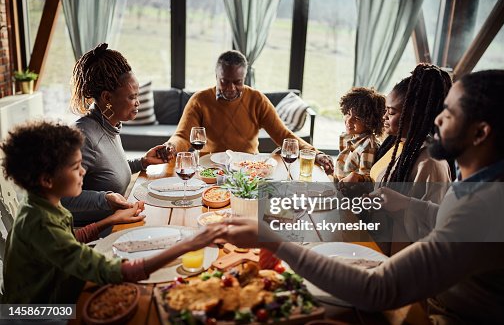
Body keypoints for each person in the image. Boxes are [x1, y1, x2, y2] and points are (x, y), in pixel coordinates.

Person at [223, 70, 504, 324]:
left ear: (480, 132)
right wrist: (409, 204)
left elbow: (378, 290)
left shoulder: (485, 209)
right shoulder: (487, 185)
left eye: (448, 113)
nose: (436, 119)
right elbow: (449, 223)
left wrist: (271, 239)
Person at [0, 121, 226, 303]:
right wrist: (187, 245)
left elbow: (67, 241)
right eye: (76, 167)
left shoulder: (40, 202)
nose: (83, 172)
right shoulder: (40, 223)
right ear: (47, 180)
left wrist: (113, 219)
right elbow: (116, 271)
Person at [163, 50, 334, 174]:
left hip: (249, 169)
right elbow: (183, 136)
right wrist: (170, 146)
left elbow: (283, 135)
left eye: (238, 82)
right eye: (224, 81)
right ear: (216, 76)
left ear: (245, 78)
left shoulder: (257, 99)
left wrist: (315, 153)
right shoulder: (199, 100)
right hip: (210, 169)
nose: (231, 88)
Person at [63, 43, 169, 226]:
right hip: (90, 233)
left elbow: (103, 172)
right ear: (107, 98)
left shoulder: (109, 125)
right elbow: (62, 198)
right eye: (132, 97)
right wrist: (105, 199)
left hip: (115, 221)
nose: (137, 103)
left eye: (137, 95)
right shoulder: (84, 136)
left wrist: (142, 162)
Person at [344, 64, 452, 202]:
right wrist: (363, 185)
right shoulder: (396, 144)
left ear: (415, 115)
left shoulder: (431, 164)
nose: (384, 117)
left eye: (391, 112)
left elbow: (433, 219)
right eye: (385, 110)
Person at [334, 87, 385, 183]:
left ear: (370, 121)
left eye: (357, 118)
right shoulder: (350, 137)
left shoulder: (368, 147)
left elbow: (365, 180)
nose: (349, 121)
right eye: (348, 114)